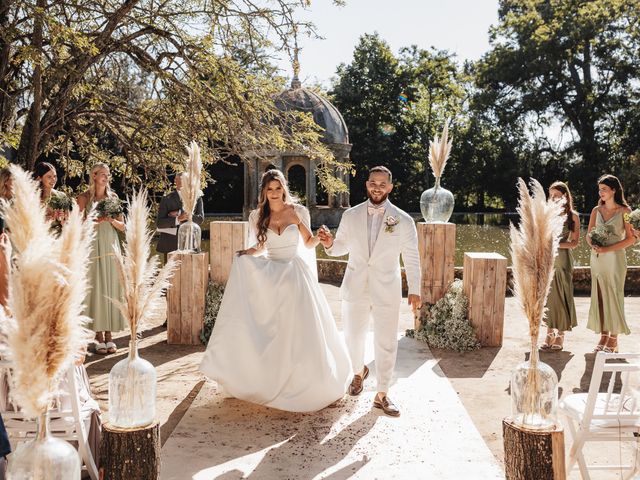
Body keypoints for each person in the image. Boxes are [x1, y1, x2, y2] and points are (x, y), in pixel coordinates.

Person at [199, 169, 352, 412]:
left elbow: (308, 242)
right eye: (269, 189)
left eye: (278, 188)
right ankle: (268, 378)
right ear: (264, 191)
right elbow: (261, 246)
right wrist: (247, 254)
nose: (274, 193)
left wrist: (322, 240)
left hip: (295, 276)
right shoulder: (258, 216)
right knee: (271, 330)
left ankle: (302, 380)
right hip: (271, 274)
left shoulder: (297, 211)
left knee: (299, 330)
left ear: (284, 189)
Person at [318, 166, 421, 417]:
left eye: (382, 183)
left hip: (387, 288)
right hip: (356, 284)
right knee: (353, 336)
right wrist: (330, 244)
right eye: (373, 182)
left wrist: (415, 289)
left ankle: (382, 394)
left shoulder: (404, 220)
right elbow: (341, 244)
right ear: (366, 185)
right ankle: (357, 372)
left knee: (385, 341)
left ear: (390, 187)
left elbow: (412, 257)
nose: (377, 187)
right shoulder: (350, 216)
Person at [77, 163, 126, 355]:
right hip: (92, 246)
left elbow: (123, 226)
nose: (106, 177)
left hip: (110, 245)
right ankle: (98, 336)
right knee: (96, 288)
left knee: (111, 289)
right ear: (94, 176)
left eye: (108, 174)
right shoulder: (84, 198)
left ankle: (109, 336)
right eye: (102, 174)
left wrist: (110, 220)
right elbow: (78, 224)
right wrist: (94, 220)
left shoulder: (113, 198)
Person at [586, 174, 636, 353]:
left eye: (604, 189)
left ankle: (614, 339)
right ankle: (604, 335)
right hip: (597, 259)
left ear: (614, 190)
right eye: (600, 190)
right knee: (600, 295)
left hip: (615, 260)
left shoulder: (626, 212)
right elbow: (588, 235)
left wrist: (608, 249)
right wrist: (593, 244)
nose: (601, 193)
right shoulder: (595, 211)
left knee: (613, 295)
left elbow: (631, 239)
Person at [540, 181, 580, 351]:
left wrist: (555, 244)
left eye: (556, 195)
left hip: (563, 259)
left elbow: (575, 243)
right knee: (549, 297)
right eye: (551, 195)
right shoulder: (547, 214)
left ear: (565, 196)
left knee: (562, 295)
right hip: (548, 259)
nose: (553, 198)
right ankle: (549, 332)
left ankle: (561, 334)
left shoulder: (573, 216)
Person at [155, 173, 204, 259]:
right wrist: (178, 219)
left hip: (190, 243)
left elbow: (200, 219)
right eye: (180, 180)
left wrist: (180, 212)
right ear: (175, 181)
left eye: (185, 180)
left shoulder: (197, 197)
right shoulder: (167, 198)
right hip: (170, 245)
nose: (183, 182)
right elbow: (159, 223)